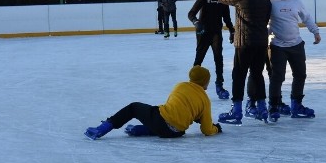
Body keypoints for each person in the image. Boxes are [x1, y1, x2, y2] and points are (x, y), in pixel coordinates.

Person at [84, 65, 222, 139]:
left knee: (134, 107)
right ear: (205, 81)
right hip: (176, 133)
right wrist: (216, 128)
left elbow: (172, 109)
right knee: (163, 119)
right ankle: (140, 130)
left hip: (161, 122)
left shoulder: (180, 85)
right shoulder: (205, 101)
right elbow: (207, 130)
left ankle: (102, 129)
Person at [216, 0, 272, 124]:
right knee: (257, 74)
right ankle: (262, 109)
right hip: (261, 42)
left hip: (244, 43)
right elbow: (267, 17)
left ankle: (237, 110)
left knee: (239, 75)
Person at [265, 0, 321, 121]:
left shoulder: (296, 1)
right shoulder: (271, 2)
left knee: (300, 75)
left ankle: (296, 105)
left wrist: (315, 31)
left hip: (296, 45)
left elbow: (306, 17)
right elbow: (266, 23)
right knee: (277, 77)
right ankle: (274, 106)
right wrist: (263, 34)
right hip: (278, 46)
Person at [188, 0, 235, 99]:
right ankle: (193, 85)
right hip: (203, 32)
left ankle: (219, 85)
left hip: (216, 33)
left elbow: (227, 18)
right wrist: (196, 22)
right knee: (199, 59)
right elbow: (191, 13)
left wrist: (232, 30)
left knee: (218, 59)